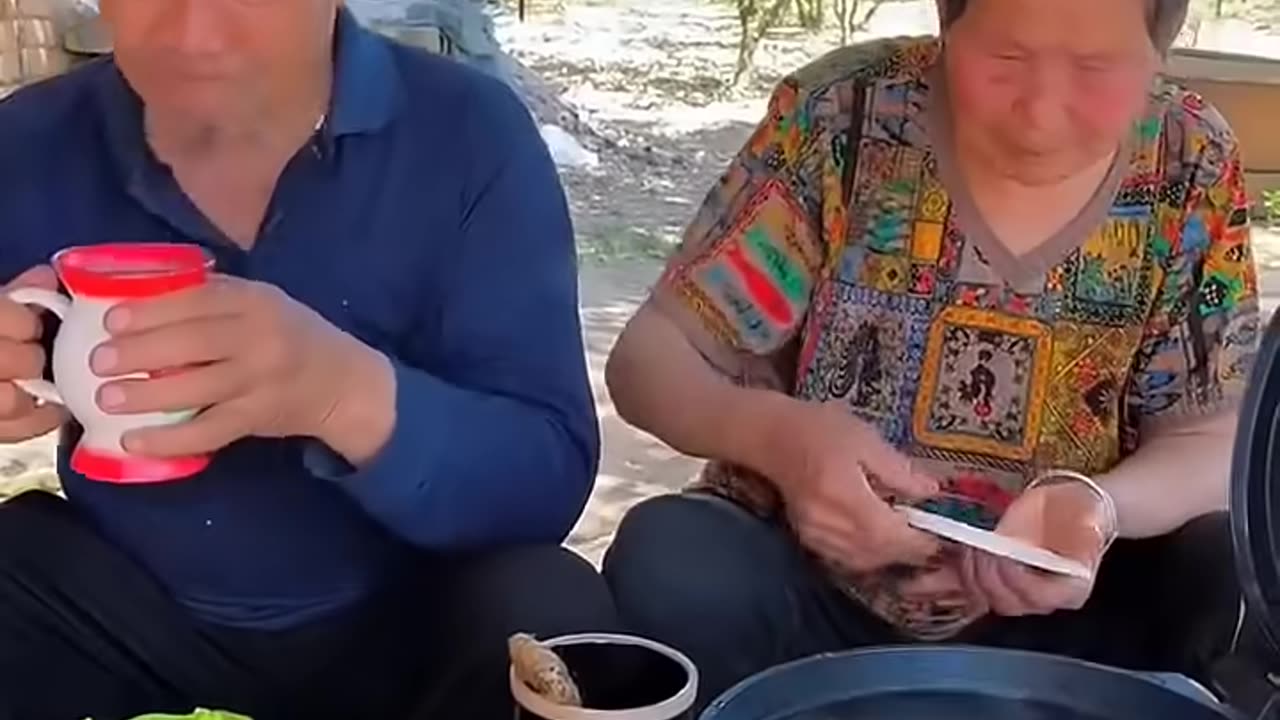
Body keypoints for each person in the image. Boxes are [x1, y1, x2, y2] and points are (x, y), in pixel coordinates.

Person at [602, 0, 1258, 710]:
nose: (1041, 110)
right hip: (812, 594)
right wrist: (782, 442)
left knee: (1228, 572)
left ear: (1159, 50)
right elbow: (649, 361)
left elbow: (1211, 439)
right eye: (1005, 58)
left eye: (1096, 67)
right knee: (671, 558)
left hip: (1071, 616)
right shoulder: (841, 116)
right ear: (949, 21)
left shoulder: (1188, 157)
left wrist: (1099, 509)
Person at [0, 3, 619, 719]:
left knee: (552, 611)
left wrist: (336, 392)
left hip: (405, 604)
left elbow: (546, 474)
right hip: (123, 596)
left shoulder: (467, 136)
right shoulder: (32, 142)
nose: (196, 32)